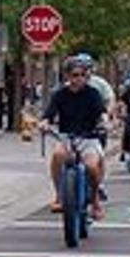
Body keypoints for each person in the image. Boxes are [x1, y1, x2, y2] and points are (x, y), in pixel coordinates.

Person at [43, 53, 108, 217]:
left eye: (82, 75)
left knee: (92, 167)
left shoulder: (93, 93)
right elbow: (49, 113)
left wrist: (104, 123)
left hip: (89, 138)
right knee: (58, 155)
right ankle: (59, 196)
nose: (78, 79)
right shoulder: (59, 94)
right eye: (74, 75)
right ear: (67, 75)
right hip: (66, 137)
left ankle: (95, 201)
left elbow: (101, 113)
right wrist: (44, 123)